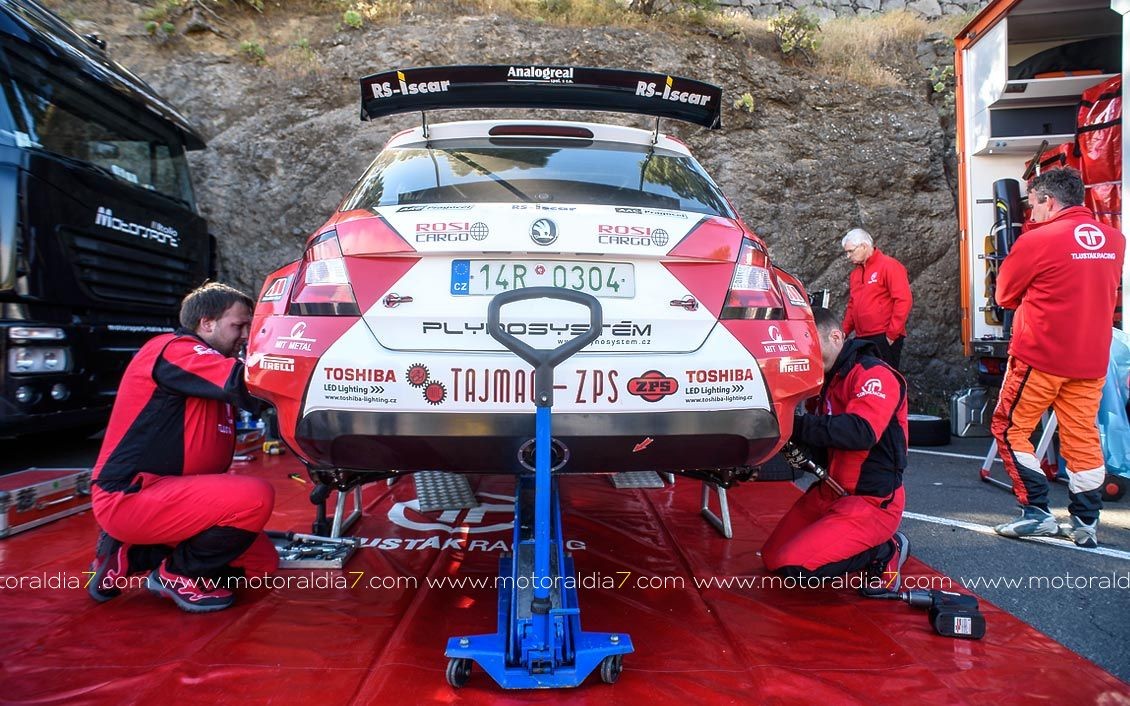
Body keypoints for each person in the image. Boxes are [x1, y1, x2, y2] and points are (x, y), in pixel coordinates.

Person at [87, 282, 278, 612]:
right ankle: (177, 574)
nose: (246, 335)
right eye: (239, 325)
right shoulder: (175, 349)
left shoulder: (205, 366)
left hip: (171, 498)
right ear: (207, 323)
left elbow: (257, 398)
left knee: (261, 566)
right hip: (131, 495)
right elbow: (246, 384)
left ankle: (132, 554)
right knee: (255, 497)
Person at [991, 167, 1125, 548]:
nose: (1031, 213)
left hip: (1040, 356)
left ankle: (1036, 512)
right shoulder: (1115, 240)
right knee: (1082, 438)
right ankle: (1085, 523)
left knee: (1008, 427)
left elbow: (1004, 296)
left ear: (1049, 202)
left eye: (1033, 205)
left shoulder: (1036, 241)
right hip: (1091, 361)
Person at [761, 307, 910, 596]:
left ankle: (885, 549)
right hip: (830, 491)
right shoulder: (826, 381)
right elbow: (823, 439)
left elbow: (861, 432)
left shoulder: (874, 374)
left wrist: (793, 425)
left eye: (814, 346)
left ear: (836, 337)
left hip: (871, 501)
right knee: (772, 557)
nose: (810, 356)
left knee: (795, 567)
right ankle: (855, 541)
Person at [841, 228, 912, 371]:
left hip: (883, 336)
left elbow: (903, 300)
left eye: (850, 251)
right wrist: (843, 333)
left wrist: (891, 334)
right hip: (862, 337)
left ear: (863, 246)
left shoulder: (889, 265)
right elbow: (852, 305)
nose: (848, 256)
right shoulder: (855, 274)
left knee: (886, 377)